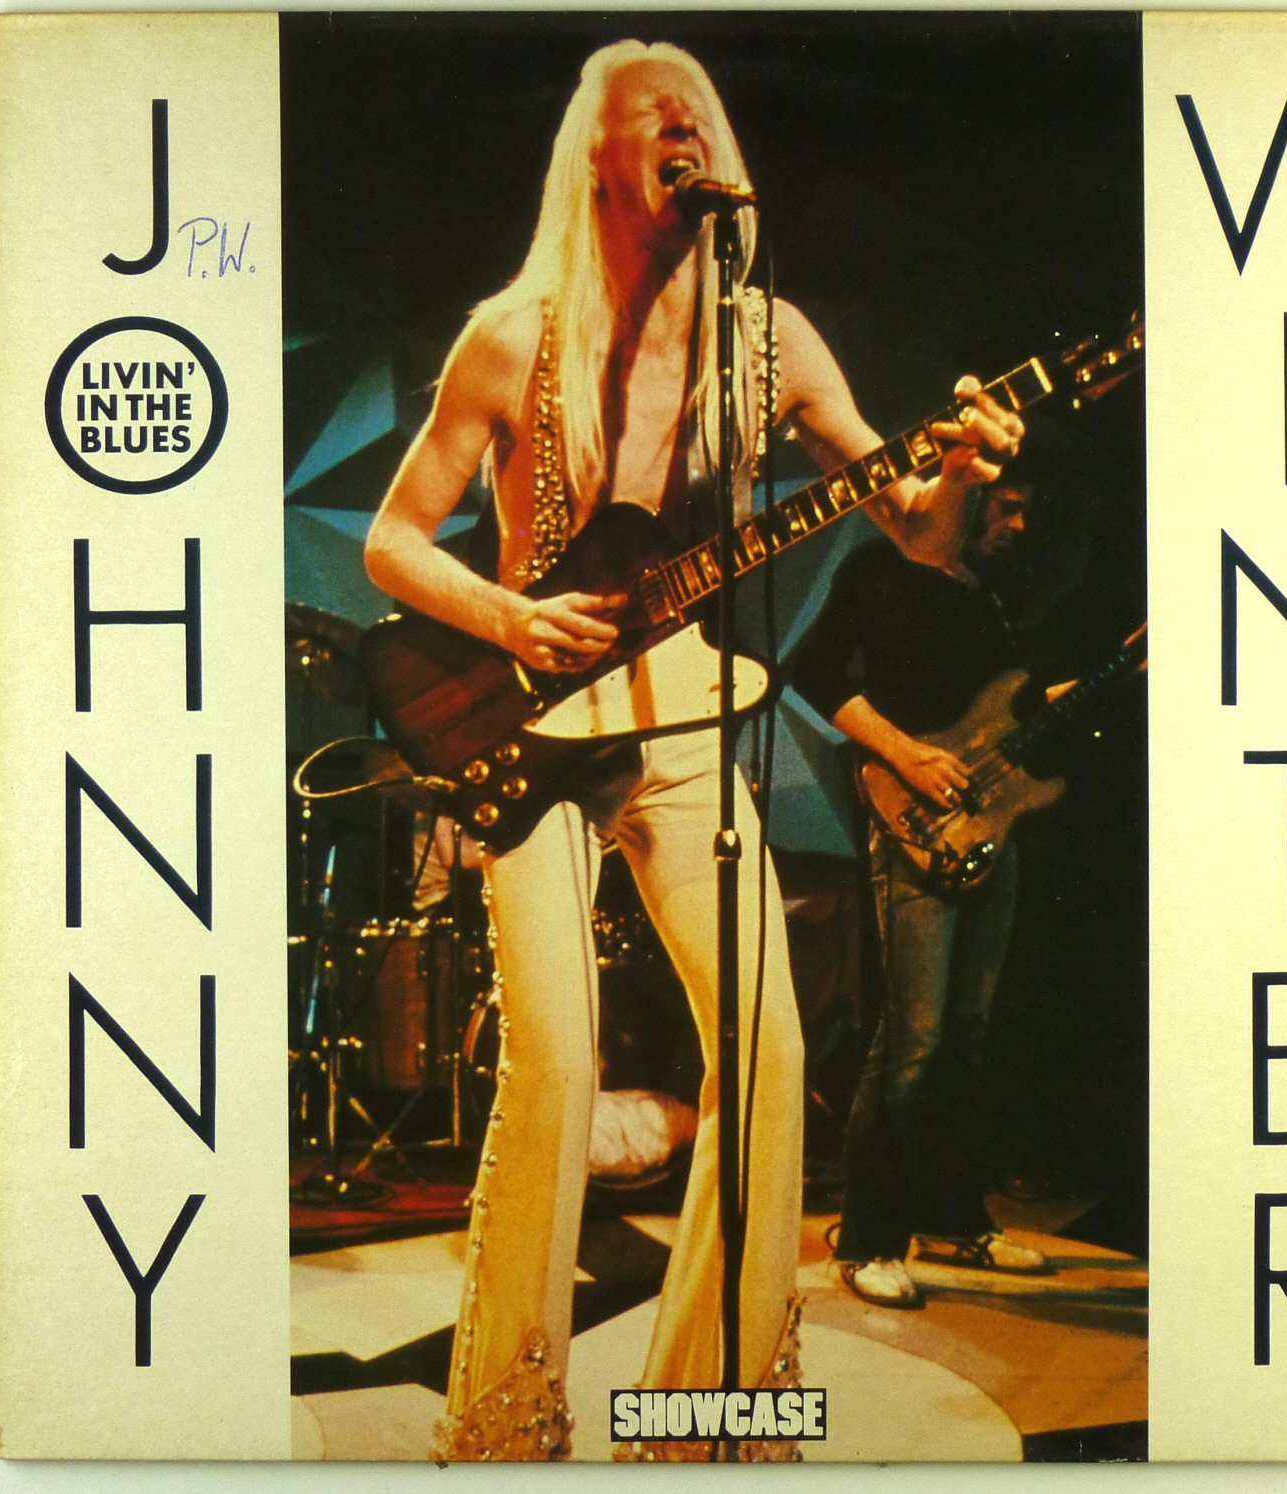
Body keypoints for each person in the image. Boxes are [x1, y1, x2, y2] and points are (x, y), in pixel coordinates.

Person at [364, 38, 1022, 1459]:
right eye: (650, 115)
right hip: (531, 736)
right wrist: (507, 613)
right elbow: (392, 540)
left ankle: (707, 1410)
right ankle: (505, 1420)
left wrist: (960, 476)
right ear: (594, 158)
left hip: (680, 726)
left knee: (769, 1053)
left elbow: (910, 525)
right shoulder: (514, 335)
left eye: (698, 112)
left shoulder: (771, 341)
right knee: (554, 1067)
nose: (683, 127)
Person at [790, 480, 1049, 1310]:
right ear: (965, 499)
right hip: (912, 822)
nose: (1019, 525)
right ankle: (868, 1239)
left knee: (966, 1036)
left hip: (990, 823)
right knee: (914, 1037)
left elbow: (1004, 710)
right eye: (1006, 507)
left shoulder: (992, 590)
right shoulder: (879, 569)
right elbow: (810, 670)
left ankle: (952, 1219)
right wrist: (906, 756)